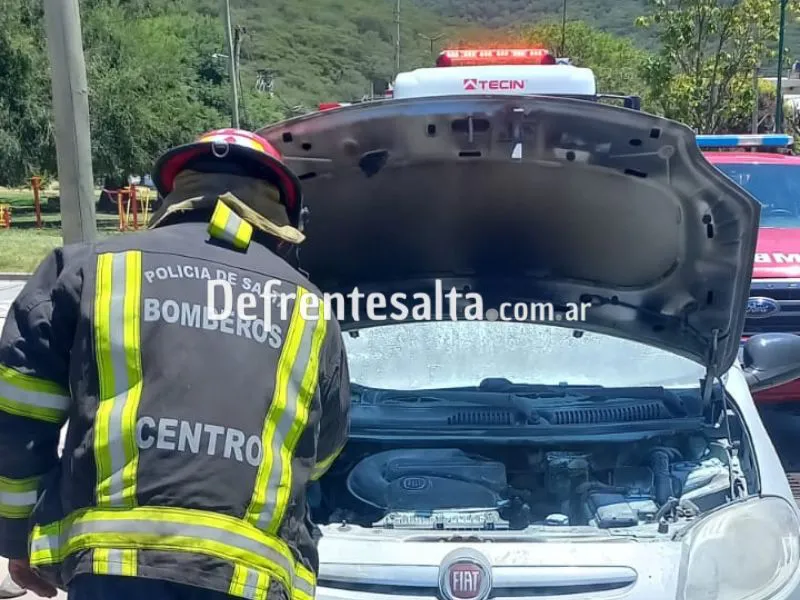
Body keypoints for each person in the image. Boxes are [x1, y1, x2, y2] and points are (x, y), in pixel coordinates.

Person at [0, 128, 351, 600]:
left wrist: (16, 537)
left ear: (173, 197)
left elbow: (18, 413)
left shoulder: (91, 268)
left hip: (112, 567)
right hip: (247, 577)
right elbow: (323, 449)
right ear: (283, 220)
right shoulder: (308, 307)